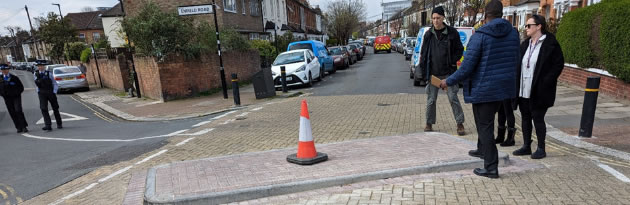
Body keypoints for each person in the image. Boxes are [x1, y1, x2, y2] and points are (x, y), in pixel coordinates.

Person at [439, 0, 520, 178]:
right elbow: (516, 60)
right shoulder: (513, 34)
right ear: (501, 13)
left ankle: (491, 167)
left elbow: (467, 67)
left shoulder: (480, 36)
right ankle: (481, 149)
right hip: (504, 87)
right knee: (485, 123)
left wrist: (448, 81)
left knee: (484, 126)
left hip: (484, 88)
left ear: (485, 15)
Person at [512, 15, 565, 159]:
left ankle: (541, 148)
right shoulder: (525, 44)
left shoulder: (550, 44)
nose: (526, 28)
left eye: (529, 25)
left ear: (539, 26)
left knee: (538, 118)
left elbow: (558, 64)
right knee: (525, 117)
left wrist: (546, 81)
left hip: (539, 90)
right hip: (524, 88)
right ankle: (526, 146)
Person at [419, 6, 466, 135]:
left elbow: (459, 50)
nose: (436, 21)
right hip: (433, 74)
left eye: (438, 18)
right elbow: (423, 54)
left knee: (453, 98)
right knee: (431, 100)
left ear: (443, 18)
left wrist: (452, 61)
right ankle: (429, 123)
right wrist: (424, 74)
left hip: (448, 74)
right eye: (433, 18)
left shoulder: (452, 33)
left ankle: (460, 123)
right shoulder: (428, 34)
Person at [34, 62, 62, 131]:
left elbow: (54, 83)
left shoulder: (49, 73)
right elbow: (36, 83)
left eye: (41, 66)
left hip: (50, 92)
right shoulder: (35, 74)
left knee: (55, 108)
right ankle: (48, 125)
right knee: (43, 108)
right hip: (42, 93)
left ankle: (59, 123)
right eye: (39, 66)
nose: (40, 67)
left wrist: (54, 92)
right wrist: (38, 91)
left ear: (44, 66)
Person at [0, 64, 28, 133]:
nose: (4, 71)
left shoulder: (14, 78)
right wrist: (3, 94)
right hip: (7, 98)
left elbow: (21, 87)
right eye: (3, 70)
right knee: (12, 112)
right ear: (1, 70)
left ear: (8, 70)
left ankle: (24, 126)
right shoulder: (0, 79)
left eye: (6, 69)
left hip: (16, 97)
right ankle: (18, 127)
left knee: (18, 110)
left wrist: (16, 93)